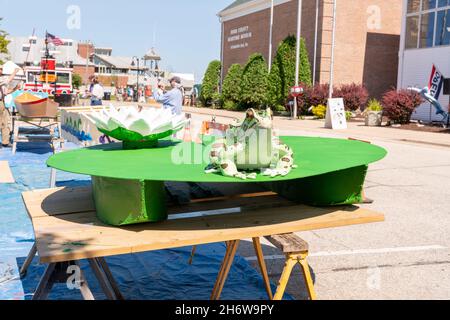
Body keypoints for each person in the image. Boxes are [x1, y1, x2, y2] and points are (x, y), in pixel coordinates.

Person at [0, 65, 20, 147]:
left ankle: (5, 142)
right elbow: (9, 80)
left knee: (6, 122)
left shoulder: (2, 81)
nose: (1, 71)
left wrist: (15, 88)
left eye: (1, 69)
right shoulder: (2, 80)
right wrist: (15, 72)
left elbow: (6, 92)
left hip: (2, 102)